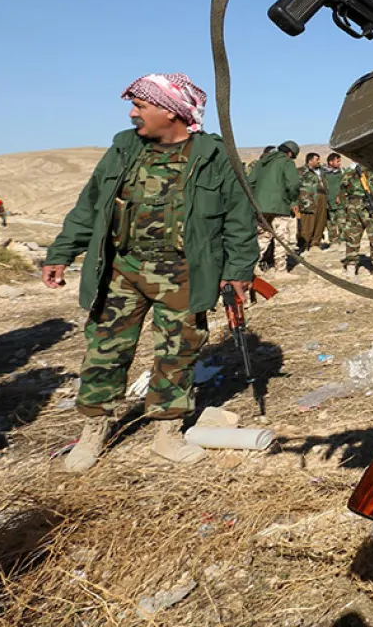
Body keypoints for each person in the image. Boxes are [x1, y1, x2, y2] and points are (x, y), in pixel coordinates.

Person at [41, 73, 258, 471]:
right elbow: (90, 205)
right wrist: (62, 252)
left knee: (178, 353)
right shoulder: (124, 149)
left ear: (170, 111)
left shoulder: (214, 156)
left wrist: (239, 269)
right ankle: (95, 428)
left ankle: (166, 433)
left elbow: (239, 219)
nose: (132, 113)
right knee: (105, 349)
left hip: (185, 272)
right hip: (122, 269)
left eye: (140, 106)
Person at [249, 141, 301, 270]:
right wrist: (293, 199)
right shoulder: (287, 162)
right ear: (290, 153)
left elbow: (250, 182)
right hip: (280, 206)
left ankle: (252, 266)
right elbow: (293, 184)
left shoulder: (261, 162)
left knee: (262, 236)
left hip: (260, 206)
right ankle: (280, 269)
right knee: (281, 238)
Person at [336, 162, 373, 274]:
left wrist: (344, 210)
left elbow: (342, 195)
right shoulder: (370, 172)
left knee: (352, 235)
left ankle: (351, 266)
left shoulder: (347, 173)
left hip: (352, 207)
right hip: (369, 207)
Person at [295, 152, 328, 254]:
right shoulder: (301, 171)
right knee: (307, 223)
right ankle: (304, 245)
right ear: (310, 161)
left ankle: (315, 243)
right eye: (316, 160)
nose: (319, 162)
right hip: (307, 199)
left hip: (322, 197)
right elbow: (295, 186)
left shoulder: (322, 171)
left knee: (320, 221)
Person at [322, 152, 345, 246]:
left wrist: (340, 196)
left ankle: (343, 240)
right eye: (337, 161)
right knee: (331, 223)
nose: (339, 163)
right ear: (331, 162)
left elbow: (344, 187)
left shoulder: (342, 173)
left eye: (340, 161)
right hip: (328, 203)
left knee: (342, 222)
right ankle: (334, 241)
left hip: (340, 202)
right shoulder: (323, 174)